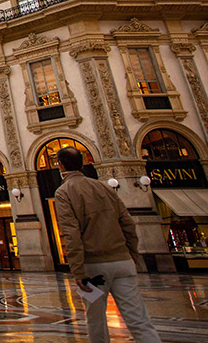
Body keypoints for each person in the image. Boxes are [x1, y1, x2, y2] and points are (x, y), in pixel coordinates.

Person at [53, 146, 161, 343]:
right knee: (139, 319)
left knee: (96, 320)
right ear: (82, 164)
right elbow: (128, 224)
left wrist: (77, 270)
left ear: (60, 165)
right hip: (123, 263)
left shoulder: (63, 192)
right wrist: (132, 256)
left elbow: (71, 234)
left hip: (94, 268)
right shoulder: (104, 187)